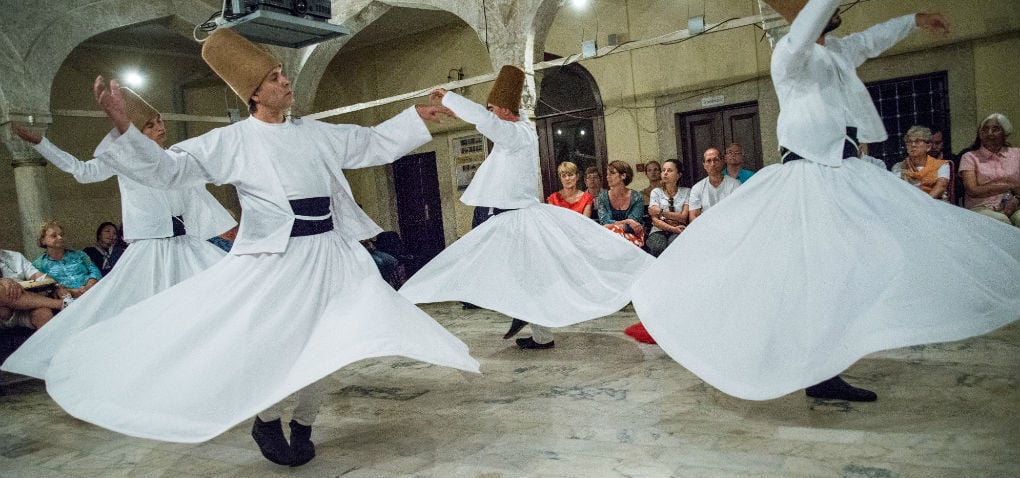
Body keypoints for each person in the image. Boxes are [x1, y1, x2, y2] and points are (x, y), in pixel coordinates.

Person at [32, 28, 478, 468]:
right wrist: (126, 129)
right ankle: (267, 419)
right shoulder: (231, 141)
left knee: (336, 344)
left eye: (284, 74)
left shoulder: (313, 132)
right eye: (275, 78)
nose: (286, 82)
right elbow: (170, 171)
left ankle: (303, 422)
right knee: (286, 348)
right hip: (279, 260)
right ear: (255, 95)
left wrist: (415, 118)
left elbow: (370, 143)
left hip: (332, 255)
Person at [631, 0, 1018, 403]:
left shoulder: (836, 51)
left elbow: (870, 39)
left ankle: (830, 357)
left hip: (843, 173)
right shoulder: (790, 50)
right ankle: (812, 367)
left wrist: (914, 21)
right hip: (807, 177)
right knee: (812, 274)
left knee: (852, 267)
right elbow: (809, 21)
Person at [400, 66, 653, 351]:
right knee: (521, 273)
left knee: (476, 262)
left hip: (515, 218)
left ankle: (520, 313)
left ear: (506, 111)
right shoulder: (521, 131)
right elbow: (486, 122)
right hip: (514, 216)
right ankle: (535, 327)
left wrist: (451, 98)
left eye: (495, 108)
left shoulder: (515, 134)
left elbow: (486, 121)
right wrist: (460, 110)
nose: (492, 112)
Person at [4, 88, 236, 380]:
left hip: (186, 245)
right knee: (145, 313)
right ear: (136, 133)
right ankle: (154, 369)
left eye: (160, 121)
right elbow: (81, 170)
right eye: (150, 124)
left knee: (212, 298)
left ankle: (204, 365)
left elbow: (197, 197)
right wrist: (41, 143)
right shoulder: (123, 160)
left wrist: (228, 231)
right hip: (151, 250)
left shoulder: (175, 159)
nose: (160, 127)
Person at [959, 113, 1020, 226]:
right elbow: (972, 190)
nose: (989, 133)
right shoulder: (970, 157)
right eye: (985, 129)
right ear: (980, 134)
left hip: (1016, 204)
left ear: (1005, 133)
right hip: (982, 207)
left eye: (995, 129)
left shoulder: (1017, 154)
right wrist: (1009, 187)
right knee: (1001, 221)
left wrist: (1016, 199)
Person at [32, 221, 101, 299]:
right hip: (66, 301)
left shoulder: (80, 255)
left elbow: (95, 270)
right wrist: (70, 291)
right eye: (54, 236)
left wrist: (90, 285)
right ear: (42, 240)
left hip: (93, 293)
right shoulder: (39, 265)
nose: (60, 238)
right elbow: (42, 288)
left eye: (61, 235)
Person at [0, 249, 65, 330]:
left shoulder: (15, 256)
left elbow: (36, 275)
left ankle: (52, 342)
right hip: (3, 312)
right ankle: (60, 304)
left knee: (43, 313)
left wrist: (56, 285)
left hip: (24, 304)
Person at [890, 125, 951, 200]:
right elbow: (897, 191)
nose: (913, 145)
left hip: (934, 204)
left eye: (917, 141)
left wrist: (924, 203)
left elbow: (941, 187)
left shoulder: (941, 165)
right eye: (909, 141)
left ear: (928, 147)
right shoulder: (898, 167)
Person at [644, 159, 689, 257]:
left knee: (675, 246)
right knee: (658, 247)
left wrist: (661, 211)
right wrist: (673, 228)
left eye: (669, 170)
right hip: (659, 230)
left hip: (680, 229)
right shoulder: (656, 192)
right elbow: (655, 220)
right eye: (663, 170)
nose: (665, 173)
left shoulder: (686, 192)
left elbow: (683, 217)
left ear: (678, 175)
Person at [596, 160, 646, 247]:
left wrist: (614, 226)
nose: (608, 177)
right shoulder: (602, 197)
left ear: (623, 175)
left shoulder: (637, 197)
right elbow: (604, 222)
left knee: (615, 235)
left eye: (612, 173)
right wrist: (627, 221)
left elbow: (634, 225)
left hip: (633, 237)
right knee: (614, 234)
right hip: (609, 237)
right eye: (607, 174)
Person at [688, 148, 740, 222]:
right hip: (706, 229)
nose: (712, 164)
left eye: (716, 160)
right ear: (704, 165)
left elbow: (738, 211)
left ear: (722, 162)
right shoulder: (697, 188)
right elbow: (693, 216)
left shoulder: (735, 184)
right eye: (708, 161)